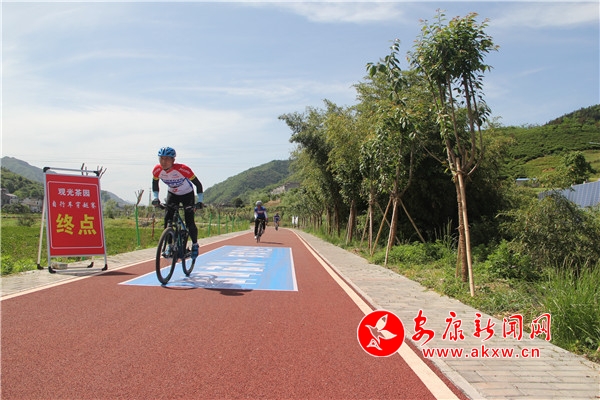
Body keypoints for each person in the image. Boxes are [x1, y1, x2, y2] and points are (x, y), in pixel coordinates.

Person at [152, 146, 204, 259]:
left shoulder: (183, 169)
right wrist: (155, 198)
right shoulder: (157, 170)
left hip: (187, 193)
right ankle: (170, 245)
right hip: (172, 194)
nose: (163, 162)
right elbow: (155, 185)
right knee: (168, 219)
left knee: (189, 221)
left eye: (167, 159)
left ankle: (195, 244)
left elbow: (198, 185)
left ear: (173, 160)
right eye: (161, 158)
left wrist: (200, 201)